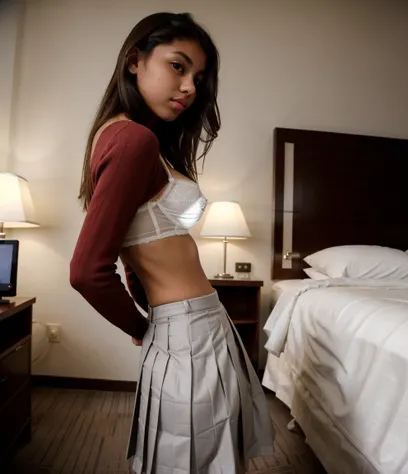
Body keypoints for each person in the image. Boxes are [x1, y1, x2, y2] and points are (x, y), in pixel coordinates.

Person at [69, 12, 275, 474]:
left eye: (198, 78)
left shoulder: (132, 140)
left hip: (194, 328)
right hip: (187, 331)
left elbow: (131, 249)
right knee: (197, 460)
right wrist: (145, 329)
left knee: (199, 456)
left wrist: (154, 319)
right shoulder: (132, 140)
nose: (189, 88)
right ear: (134, 61)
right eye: (178, 66)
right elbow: (86, 272)